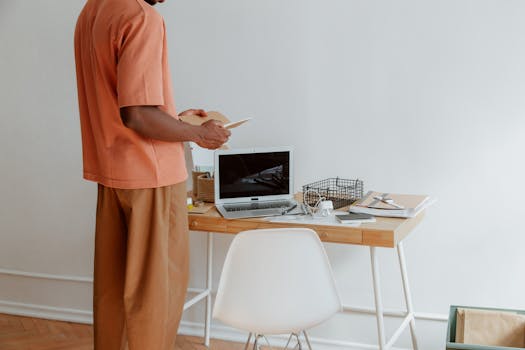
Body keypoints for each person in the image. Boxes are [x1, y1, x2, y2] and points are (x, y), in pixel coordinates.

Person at [74, 0, 230, 349]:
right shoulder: (141, 17)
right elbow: (138, 116)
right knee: (156, 292)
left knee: (112, 290)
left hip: (111, 172)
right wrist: (199, 134)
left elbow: (124, 105)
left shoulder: (92, 11)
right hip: (152, 177)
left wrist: (178, 120)